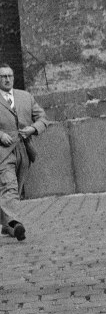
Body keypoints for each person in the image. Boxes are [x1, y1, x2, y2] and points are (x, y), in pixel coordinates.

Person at [0, 64, 46, 243]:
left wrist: (33, 129)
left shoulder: (25, 97)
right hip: (3, 151)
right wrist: (1, 134)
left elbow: (43, 118)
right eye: (3, 76)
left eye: (10, 76)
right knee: (9, 185)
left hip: (24, 149)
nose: (7, 79)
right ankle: (15, 222)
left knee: (15, 188)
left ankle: (8, 226)